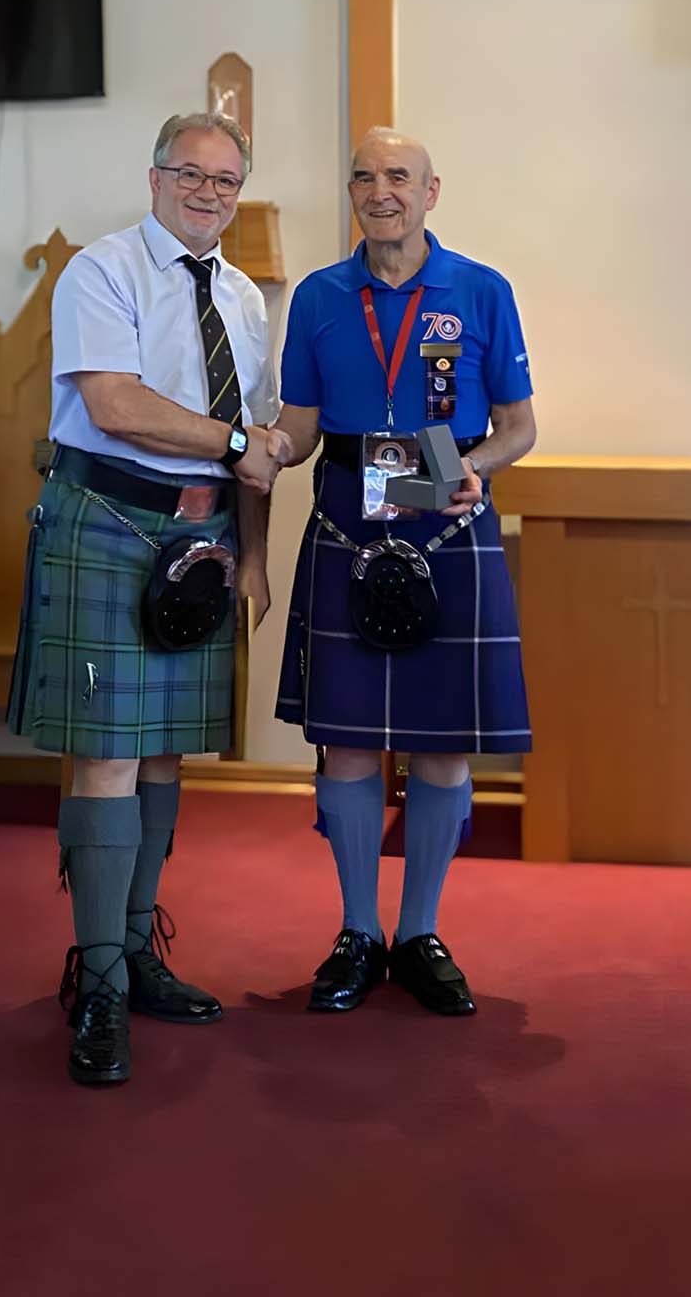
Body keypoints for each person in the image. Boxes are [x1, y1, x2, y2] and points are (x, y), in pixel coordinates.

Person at [9, 112, 285, 1087]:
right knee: (107, 757)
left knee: (162, 751)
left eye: (224, 180)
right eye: (190, 174)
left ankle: (133, 951)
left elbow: (256, 441)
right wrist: (243, 447)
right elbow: (114, 404)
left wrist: (252, 558)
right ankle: (94, 985)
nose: (206, 192)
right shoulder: (102, 269)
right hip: (109, 523)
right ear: (156, 176)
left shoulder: (246, 298)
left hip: (202, 536)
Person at [271, 128, 537, 1017]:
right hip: (347, 515)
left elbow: (520, 426)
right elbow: (300, 428)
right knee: (344, 738)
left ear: (431, 191)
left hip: (448, 513)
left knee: (441, 740)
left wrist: (480, 469)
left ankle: (419, 930)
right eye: (364, 175)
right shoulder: (317, 296)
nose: (380, 190)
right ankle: (357, 930)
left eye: (398, 176)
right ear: (350, 191)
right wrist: (253, 450)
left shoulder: (482, 290)